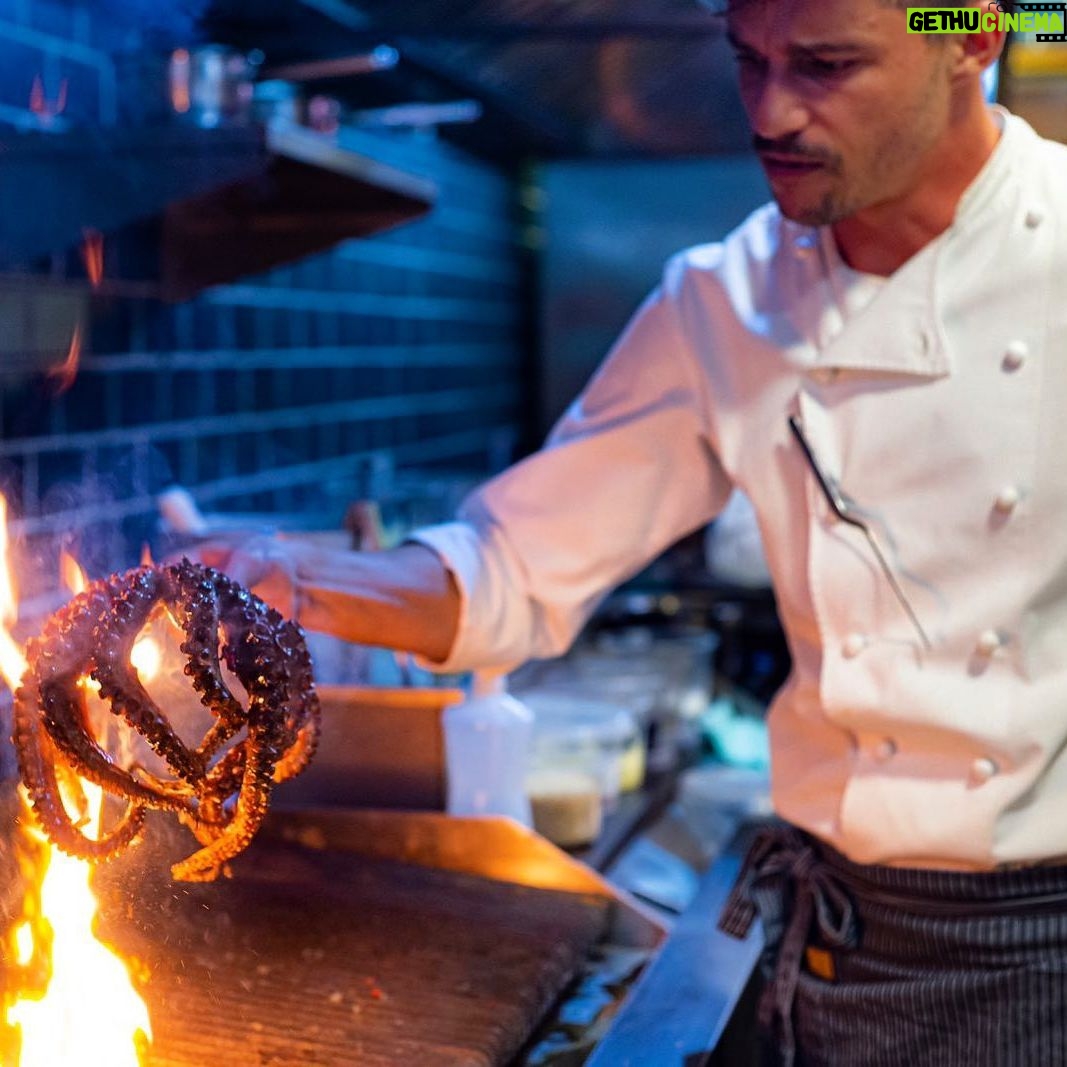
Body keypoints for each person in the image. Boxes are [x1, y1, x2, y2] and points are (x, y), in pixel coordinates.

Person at [199, 0, 1067, 1062]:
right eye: (747, 61)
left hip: (1044, 947)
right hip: (836, 936)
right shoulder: (725, 300)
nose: (769, 112)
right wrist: (274, 576)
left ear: (970, 35)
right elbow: (514, 567)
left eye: (825, 65)